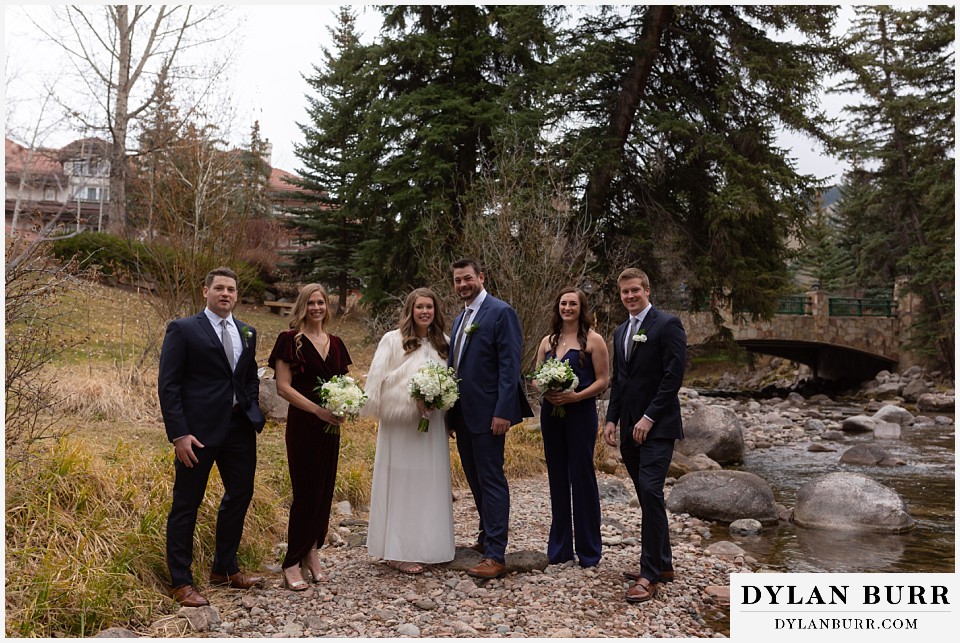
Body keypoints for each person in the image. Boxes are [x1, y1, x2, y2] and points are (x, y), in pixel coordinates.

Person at [158, 266, 267, 607]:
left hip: (238, 429)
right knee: (186, 504)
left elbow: (249, 376)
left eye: (231, 290)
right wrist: (179, 434)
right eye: (219, 288)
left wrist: (249, 404)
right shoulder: (184, 329)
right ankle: (181, 581)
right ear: (206, 292)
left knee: (240, 495)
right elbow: (169, 384)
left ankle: (224, 568)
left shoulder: (247, 332)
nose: (225, 294)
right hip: (197, 432)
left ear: (237, 295)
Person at [603, 268, 686, 604]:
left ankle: (649, 574)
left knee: (651, 492)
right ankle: (663, 564)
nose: (630, 296)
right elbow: (620, 381)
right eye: (625, 292)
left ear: (647, 290)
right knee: (648, 497)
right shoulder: (621, 330)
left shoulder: (667, 325)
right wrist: (611, 419)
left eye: (635, 290)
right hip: (629, 430)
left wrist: (649, 417)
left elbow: (673, 376)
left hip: (659, 427)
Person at [446, 257, 532, 579]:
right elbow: (457, 369)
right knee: (475, 479)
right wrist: (451, 416)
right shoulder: (459, 319)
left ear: (480, 277)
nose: (463, 285)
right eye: (457, 280)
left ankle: (496, 554)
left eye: (468, 278)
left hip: (490, 415)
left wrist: (503, 411)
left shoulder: (500, 312)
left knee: (492, 480)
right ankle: (485, 539)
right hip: (464, 416)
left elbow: (510, 367)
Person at [362, 288, 456, 574]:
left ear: (435, 311)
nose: (425, 312)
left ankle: (429, 545)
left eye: (429, 307)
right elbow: (378, 385)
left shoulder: (445, 344)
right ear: (410, 310)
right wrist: (412, 397)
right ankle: (397, 550)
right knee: (402, 484)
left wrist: (439, 399)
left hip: (433, 425)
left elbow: (453, 381)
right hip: (402, 426)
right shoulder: (393, 341)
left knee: (430, 483)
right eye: (419, 307)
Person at [269, 284, 352, 591]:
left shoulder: (337, 342)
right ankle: (291, 561)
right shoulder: (290, 341)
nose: (317, 307)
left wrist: (345, 406)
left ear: (326, 307)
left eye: (321, 302)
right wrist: (318, 411)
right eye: (311, 302)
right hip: (304, 424)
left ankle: (312, 553)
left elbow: (344, 384)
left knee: (324, 491)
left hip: (331, 427)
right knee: (305, 492)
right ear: (302, 306)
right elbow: (283, 387)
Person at [533, 287, 609, 568]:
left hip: (580, 414)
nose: (567, 308)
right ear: (558, 307)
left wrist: (576, 395)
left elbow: (603, 380)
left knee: (582, 477)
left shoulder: (593, 340)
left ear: (581, 308)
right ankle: (560, 548)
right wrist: (544, 386)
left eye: (572, 304)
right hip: (551, 414)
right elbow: (534, 376)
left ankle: (589, 551)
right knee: (556, 477)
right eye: (563, 303)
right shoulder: (547, 341)